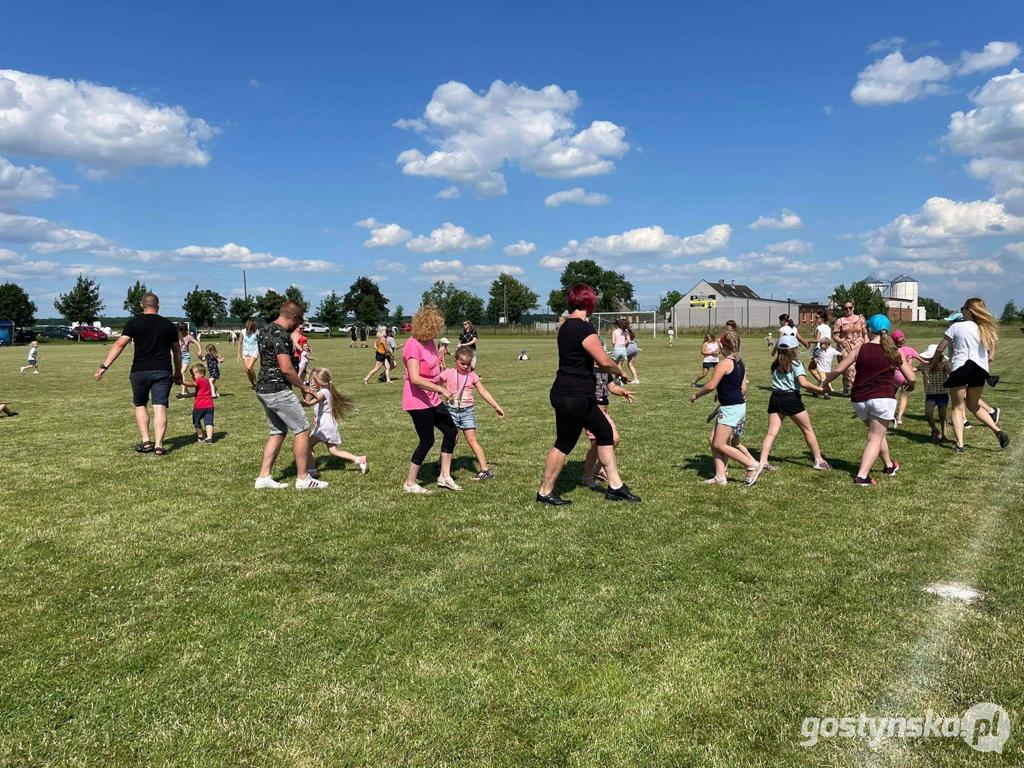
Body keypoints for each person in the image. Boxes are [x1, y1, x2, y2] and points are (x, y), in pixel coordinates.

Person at [536, 284, 640, 505]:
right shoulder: (584, 329)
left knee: (604, 433)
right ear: (588, 302)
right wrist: (618, 370)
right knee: (564, 443)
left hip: (571, 393)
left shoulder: (565, 327)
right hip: (575, 396)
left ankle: (615, 486)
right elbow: (602, 360)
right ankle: (545, 491)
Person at [823, 314, 916, 485]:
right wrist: (912, 386)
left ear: (869, 330)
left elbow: (838, 370)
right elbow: (911, 378)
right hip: (882, 398)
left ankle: (889, 465)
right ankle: (862, 476)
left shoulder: (860, 349)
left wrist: (825, 383)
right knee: (875, 437)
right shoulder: (893, 351)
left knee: (877, 434)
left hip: (859, 400)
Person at [95, 292, 181, 456]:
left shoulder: (134, 323)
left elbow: (120, 344)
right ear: (158, 305)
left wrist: (104, 366)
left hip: (139, 371)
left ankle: (146, 442)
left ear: (142, 305)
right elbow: (176, 351)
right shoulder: (169, 325)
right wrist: (178, 372)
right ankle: (159, 446)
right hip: (163, 370)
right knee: (160, 407)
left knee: (140, 405)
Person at [253, 300, 326, 490]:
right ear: (293, 316)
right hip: (277, 390)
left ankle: (264, 477)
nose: (300, 324)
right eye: (300, 319)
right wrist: (305, 386)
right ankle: (303, 479)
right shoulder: (281, 335)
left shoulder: (265, 330)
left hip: (262, 389)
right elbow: (286, 369)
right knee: (302, 429)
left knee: (277, 431)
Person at [931, 298, 1009, 453]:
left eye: (963, 308)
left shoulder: (956, 327)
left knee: (958, 408)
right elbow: (991, 356)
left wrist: (934, 362)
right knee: (974, 405)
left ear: (968, 309)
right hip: (980, 371)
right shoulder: (986, 329)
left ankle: (960, 445)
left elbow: (941, 348)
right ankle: (997, 430)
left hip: (961, 368)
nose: (962, 311)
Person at [690, 329, 762, 486]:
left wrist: (697, 395)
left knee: (720, 444)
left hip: (731, 408)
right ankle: (720, 476)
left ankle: (751, 464)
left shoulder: (724, 363)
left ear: (722, 345)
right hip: (735, 405)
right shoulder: (740, 362)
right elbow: (743, 388)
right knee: (712, 440)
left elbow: (710, 385)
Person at [402, 306, 461, 494]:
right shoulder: (412, 345)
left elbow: (434, 370)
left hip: (432, 398)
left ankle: (444, 476)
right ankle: (410, 483)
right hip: (416, 400)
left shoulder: (430, 342)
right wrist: (441, 389)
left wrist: (447, 380)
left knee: (451, 431)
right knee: (427, 440)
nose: (437, 332)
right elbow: (415, 378)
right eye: (435, 328)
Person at [757, 336, 831, 474]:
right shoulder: (796, 364)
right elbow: (803, 383)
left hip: (775, 398)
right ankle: (819, 460)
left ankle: (763, 462)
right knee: (807, 430)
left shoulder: (775, 364)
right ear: (793, 350)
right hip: (791, 399)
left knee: (771, 433)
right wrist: (821, 389)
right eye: (796, 347)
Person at [439, 345, 505, 480]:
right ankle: (441, 467)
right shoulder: (448, 373)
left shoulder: (472, 376)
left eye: (468, 364)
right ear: (455, 360)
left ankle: (485, 469)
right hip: (451, 411)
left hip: (467, 412)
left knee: (472, 440)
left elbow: (483, 392)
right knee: (452, 439)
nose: (465, 367)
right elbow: (435, 384)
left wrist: (496, 406)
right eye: (462, 363)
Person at [582, 358, 636, 489]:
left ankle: (598, 469)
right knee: (597, 444)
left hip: (604, 411)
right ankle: (588, 476)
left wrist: (623, 392)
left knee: (615, 439)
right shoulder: (587, 371)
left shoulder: (605, 371)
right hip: (592, 411)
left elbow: (611, 387)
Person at [301, 367, 367, 475]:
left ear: (319, 381)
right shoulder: (323, 391)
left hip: (324, 425)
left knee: (306, 445)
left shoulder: (323, 392)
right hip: (327, 424)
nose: (311, 382)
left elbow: (308, 403)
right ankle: (359, 460)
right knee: (333, 451)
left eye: (313, 380)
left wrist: (293, 402)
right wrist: (309, 390)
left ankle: (312, 470)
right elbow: (309, 400)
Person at [917, 343, 951, 444]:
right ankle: (935, 430)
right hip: (930, 393)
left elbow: (950, 372)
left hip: (943, 393)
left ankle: (944, 435)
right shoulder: (924, 365)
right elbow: (914, 369)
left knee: (942, 416)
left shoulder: (944, 364)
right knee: (928, 415)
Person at [832, 301, 867, 394]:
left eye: (850, 307)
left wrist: (868, 345)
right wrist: (840, 341)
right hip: (846, 347)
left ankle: (854, 389)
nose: (848, 310)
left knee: (860, 368)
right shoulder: (840, 321)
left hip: (859, 346)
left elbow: (865, 333)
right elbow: (835, 336)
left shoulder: (860, 318)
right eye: (845, 308)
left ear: (853, 308)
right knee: (848, 369)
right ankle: (850, 389)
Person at [182, 363, 216, 444]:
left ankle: (201, 436)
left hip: (199, 406)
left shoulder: (199, 380)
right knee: (208, 422)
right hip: (209, 405)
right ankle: (209, 438)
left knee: (196, 422)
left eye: (194, 375)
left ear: (201, 374)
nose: (193, 377)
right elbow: (201, 392)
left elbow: (192, 384)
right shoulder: (207, 381)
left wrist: (182, 382)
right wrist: (188, 395)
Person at [891, 330, 919, 427]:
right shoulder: (909, 349)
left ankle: (890, 414)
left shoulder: (893, 350)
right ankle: (899, 417)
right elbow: (919, 358)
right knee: (904, 395)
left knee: (891, 395)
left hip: (895, 376)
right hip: (907, 375)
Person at [176, 323, 199, 398]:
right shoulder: (175, 336)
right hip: (178, 356)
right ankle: (187, 392)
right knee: (180, 373)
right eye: (182, 330)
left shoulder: (188, 337)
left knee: (182, 372)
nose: (183, 332)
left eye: (185, 330)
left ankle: (183, 393)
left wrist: (200, 351)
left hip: (185, 356)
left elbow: (197, 343)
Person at [238, 319, 259, 387]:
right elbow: (239, 342)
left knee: (249, 367)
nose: (248, 329)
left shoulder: (256, 332)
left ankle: (256, 382)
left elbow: (260, 342)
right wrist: (238, 354)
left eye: (250, 328)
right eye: (248, 328)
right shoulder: (243, 331)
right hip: (245, 352)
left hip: (254, 351)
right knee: (247, 370)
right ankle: (253, 384)